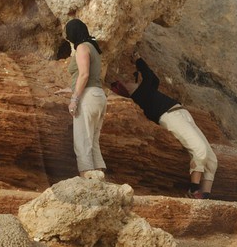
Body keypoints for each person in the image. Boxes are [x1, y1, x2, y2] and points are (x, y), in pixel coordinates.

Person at [110, 50, 218, 199]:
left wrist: (138, 65)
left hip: (181, 113)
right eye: (125, 82)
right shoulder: (140, 96)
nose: (128, 80)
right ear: (125, 89)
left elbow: (154, 80)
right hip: (170, 116)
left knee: (212, 160)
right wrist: (138, 60)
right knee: (200, 151)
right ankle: (193, 191)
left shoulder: (145, 91)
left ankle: (205, 196)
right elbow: (150, 77)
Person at [55, 18, 108, 180]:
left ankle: (87, 183)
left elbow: (84, 74)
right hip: (98, 96)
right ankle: (101, 184)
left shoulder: (82, 48)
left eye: (68, 32)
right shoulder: (93, 47)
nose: (67, 36)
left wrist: (75, 99)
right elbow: (87, 76)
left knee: (82, 143)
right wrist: (69, 89)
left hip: (87, 97)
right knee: (93, 143)